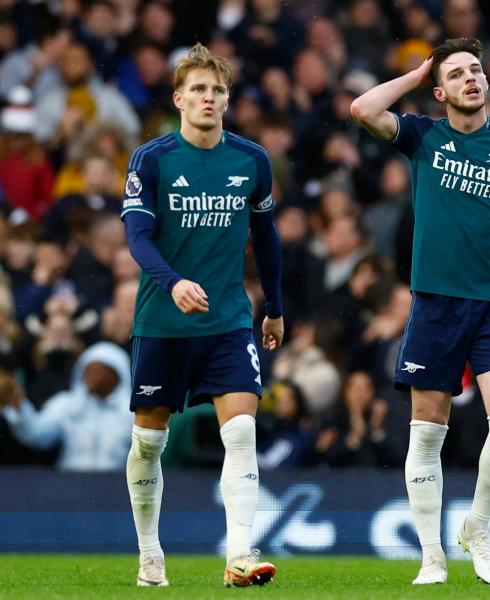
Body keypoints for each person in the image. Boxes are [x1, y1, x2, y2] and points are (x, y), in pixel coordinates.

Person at [350, 37, 490, 585]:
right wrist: (417, 73)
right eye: (457, 74)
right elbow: (362, 110)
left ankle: (477, 525)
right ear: (441, 90)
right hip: (434, 304)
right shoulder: (425, 135)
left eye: (476, 70)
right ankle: (432, 555)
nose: (472, 79)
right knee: (427, 432)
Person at [120, 43, 283, 588]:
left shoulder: (251, 160)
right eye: (197, 90)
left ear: (227, 99)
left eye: (216, 90)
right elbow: (137, 238)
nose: (208, 98)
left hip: (229, 321)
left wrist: (275, 308)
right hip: (163, 323)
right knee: (149, 442)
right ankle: (149, 553)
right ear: (178, 98)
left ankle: (239, 554)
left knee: (240, 434)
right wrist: (174, 282)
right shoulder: (152, 159)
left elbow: (267, 239)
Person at [0, 341, 132, 471]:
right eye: (88, 370)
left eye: (99, 371)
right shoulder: (66, 404)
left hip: (117, 487)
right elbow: (39, 435)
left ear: (117, 375)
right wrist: (18, 404)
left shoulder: (133, 412)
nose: (91, 377)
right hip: (69, 485)